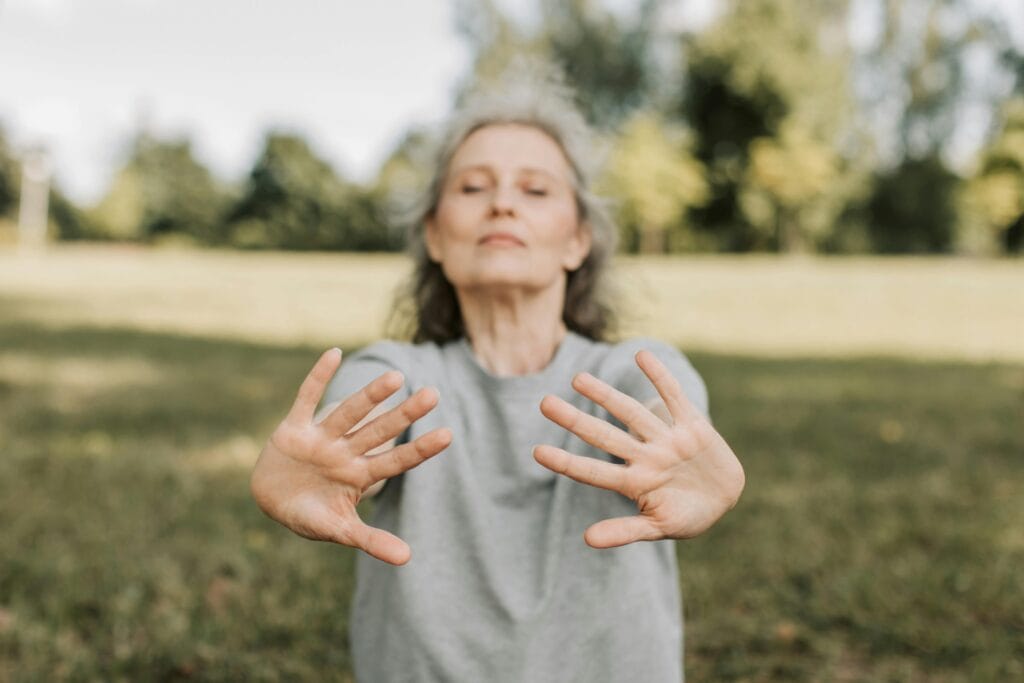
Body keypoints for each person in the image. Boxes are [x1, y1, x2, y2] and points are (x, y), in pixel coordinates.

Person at [250, 70, 745, 682]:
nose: (502, 203)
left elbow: (667, 398)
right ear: (434, 234)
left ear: (577, 240)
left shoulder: (628, 367)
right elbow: (361, 414)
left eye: (535, 190)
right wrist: (320, 465)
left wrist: (683, 448)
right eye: (473, 187)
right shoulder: (397, 372)